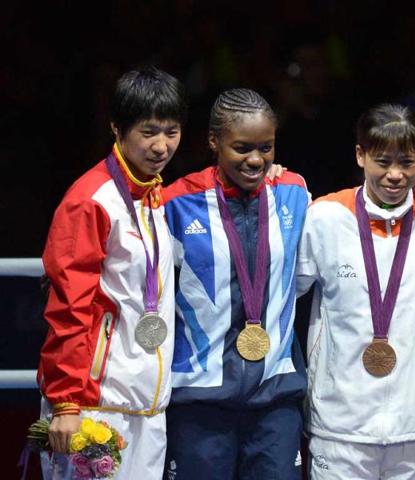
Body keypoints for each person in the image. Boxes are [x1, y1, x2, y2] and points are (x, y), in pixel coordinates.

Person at [37, 66, 188, 478]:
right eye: (149, 132)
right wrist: (66, 401)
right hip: (92, 406)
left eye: (171, 132)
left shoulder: (153, 193)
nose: (161, 146)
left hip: (147, 407)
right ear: (117, 129)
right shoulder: (91, 200)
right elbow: (69, 306)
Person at [296, 104, 415, 479]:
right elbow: (282, 296)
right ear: (360, 155)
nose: (396, 175)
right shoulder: (324, 217)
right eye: (383, 161)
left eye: (407, 161)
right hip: (340, 425)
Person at [162, 88, 309, 480]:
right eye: (242, 148)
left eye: (267, 147)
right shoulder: (175, 203)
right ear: (214, 142)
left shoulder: (294, 192)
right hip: (198, 400)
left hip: (276, 399)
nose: (257, 159)